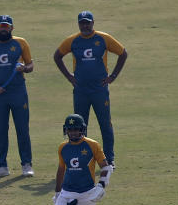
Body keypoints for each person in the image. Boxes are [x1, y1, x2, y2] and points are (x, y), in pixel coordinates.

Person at [53, 11, 127, 165]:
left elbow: (123, 53)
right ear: (78, 23)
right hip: (81, 90)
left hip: (99, 90)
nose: (85, 25)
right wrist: (69, 76)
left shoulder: (103, 38)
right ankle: (82, 157)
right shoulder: (73, 41)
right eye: (82, 23)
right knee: (80, 125)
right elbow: (57, 56)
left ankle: (109, 159)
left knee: (105, 124)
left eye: (87, 22)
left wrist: (112, 76)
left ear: (93, 23)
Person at [0, 15, 35, 178]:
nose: (4, 29)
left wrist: (24, 68)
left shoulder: (21, 43)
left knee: (22, 129)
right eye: (1, 26)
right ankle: (1, 166)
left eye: (7, 26)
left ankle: (26, 164)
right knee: (1, 130)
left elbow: (31, 65)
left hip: (18, 92)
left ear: (12, 28)